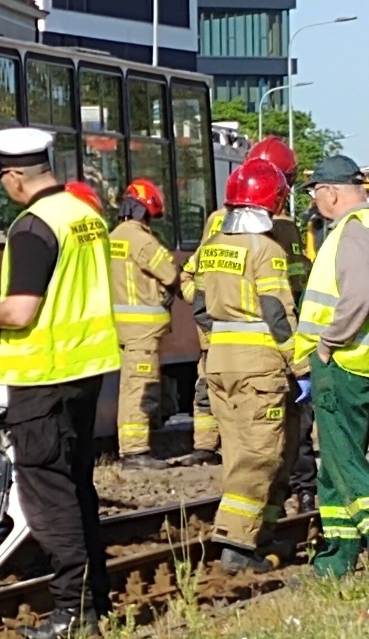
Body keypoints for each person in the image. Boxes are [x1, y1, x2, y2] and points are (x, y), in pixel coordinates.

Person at [0, 127, 120, 638]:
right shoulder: (85, 216)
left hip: (44, 375)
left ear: (12, 176)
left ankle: (71, 612)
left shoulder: (32, 227)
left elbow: (23, 308)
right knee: (76, 485)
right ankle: (95, 599)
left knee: (48, 495)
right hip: (86, 371)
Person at [192, 158, 302, 573]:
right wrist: (301, 366)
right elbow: (277, 314)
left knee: (238, 452)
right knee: (262, 454)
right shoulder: (267, 250)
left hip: (220, 363)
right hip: (261, 367)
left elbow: (200, 307)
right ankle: (237, 544)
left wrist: (218, 343)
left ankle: (261, 535)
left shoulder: (215, 245)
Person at [294, 155, 369, 578]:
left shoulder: (352, 232)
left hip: (344, 364)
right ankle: (337, 559)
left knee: (344, 463)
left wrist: (326, 344)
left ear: (331, 192)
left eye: (315, 192)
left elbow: (359, 294)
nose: (314, 201)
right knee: (333, 471)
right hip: (354, 363)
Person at [245, 136, 316, 514]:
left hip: (245, 348)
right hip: (280, 340)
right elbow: (297, 289)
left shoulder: (218, 225)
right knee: (292, 426)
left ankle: (275, 503)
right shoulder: (285, 231)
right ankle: (297, 494)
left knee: (259, 436)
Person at [109, 179, 179, 470]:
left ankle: (130, 448)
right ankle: (135, 452)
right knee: (141, 387)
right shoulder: (141, 239)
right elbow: (170, 273)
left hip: (121, 327)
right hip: (143, 330)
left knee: (128, 387)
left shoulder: (113, 236)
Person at [178, 208, 225, 466]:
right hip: (212, 337)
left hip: (227, 338)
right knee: (205, 391)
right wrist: (197, 298)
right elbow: (185, 277)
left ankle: (219, 445)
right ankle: (205, 446)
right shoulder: (205, 254)